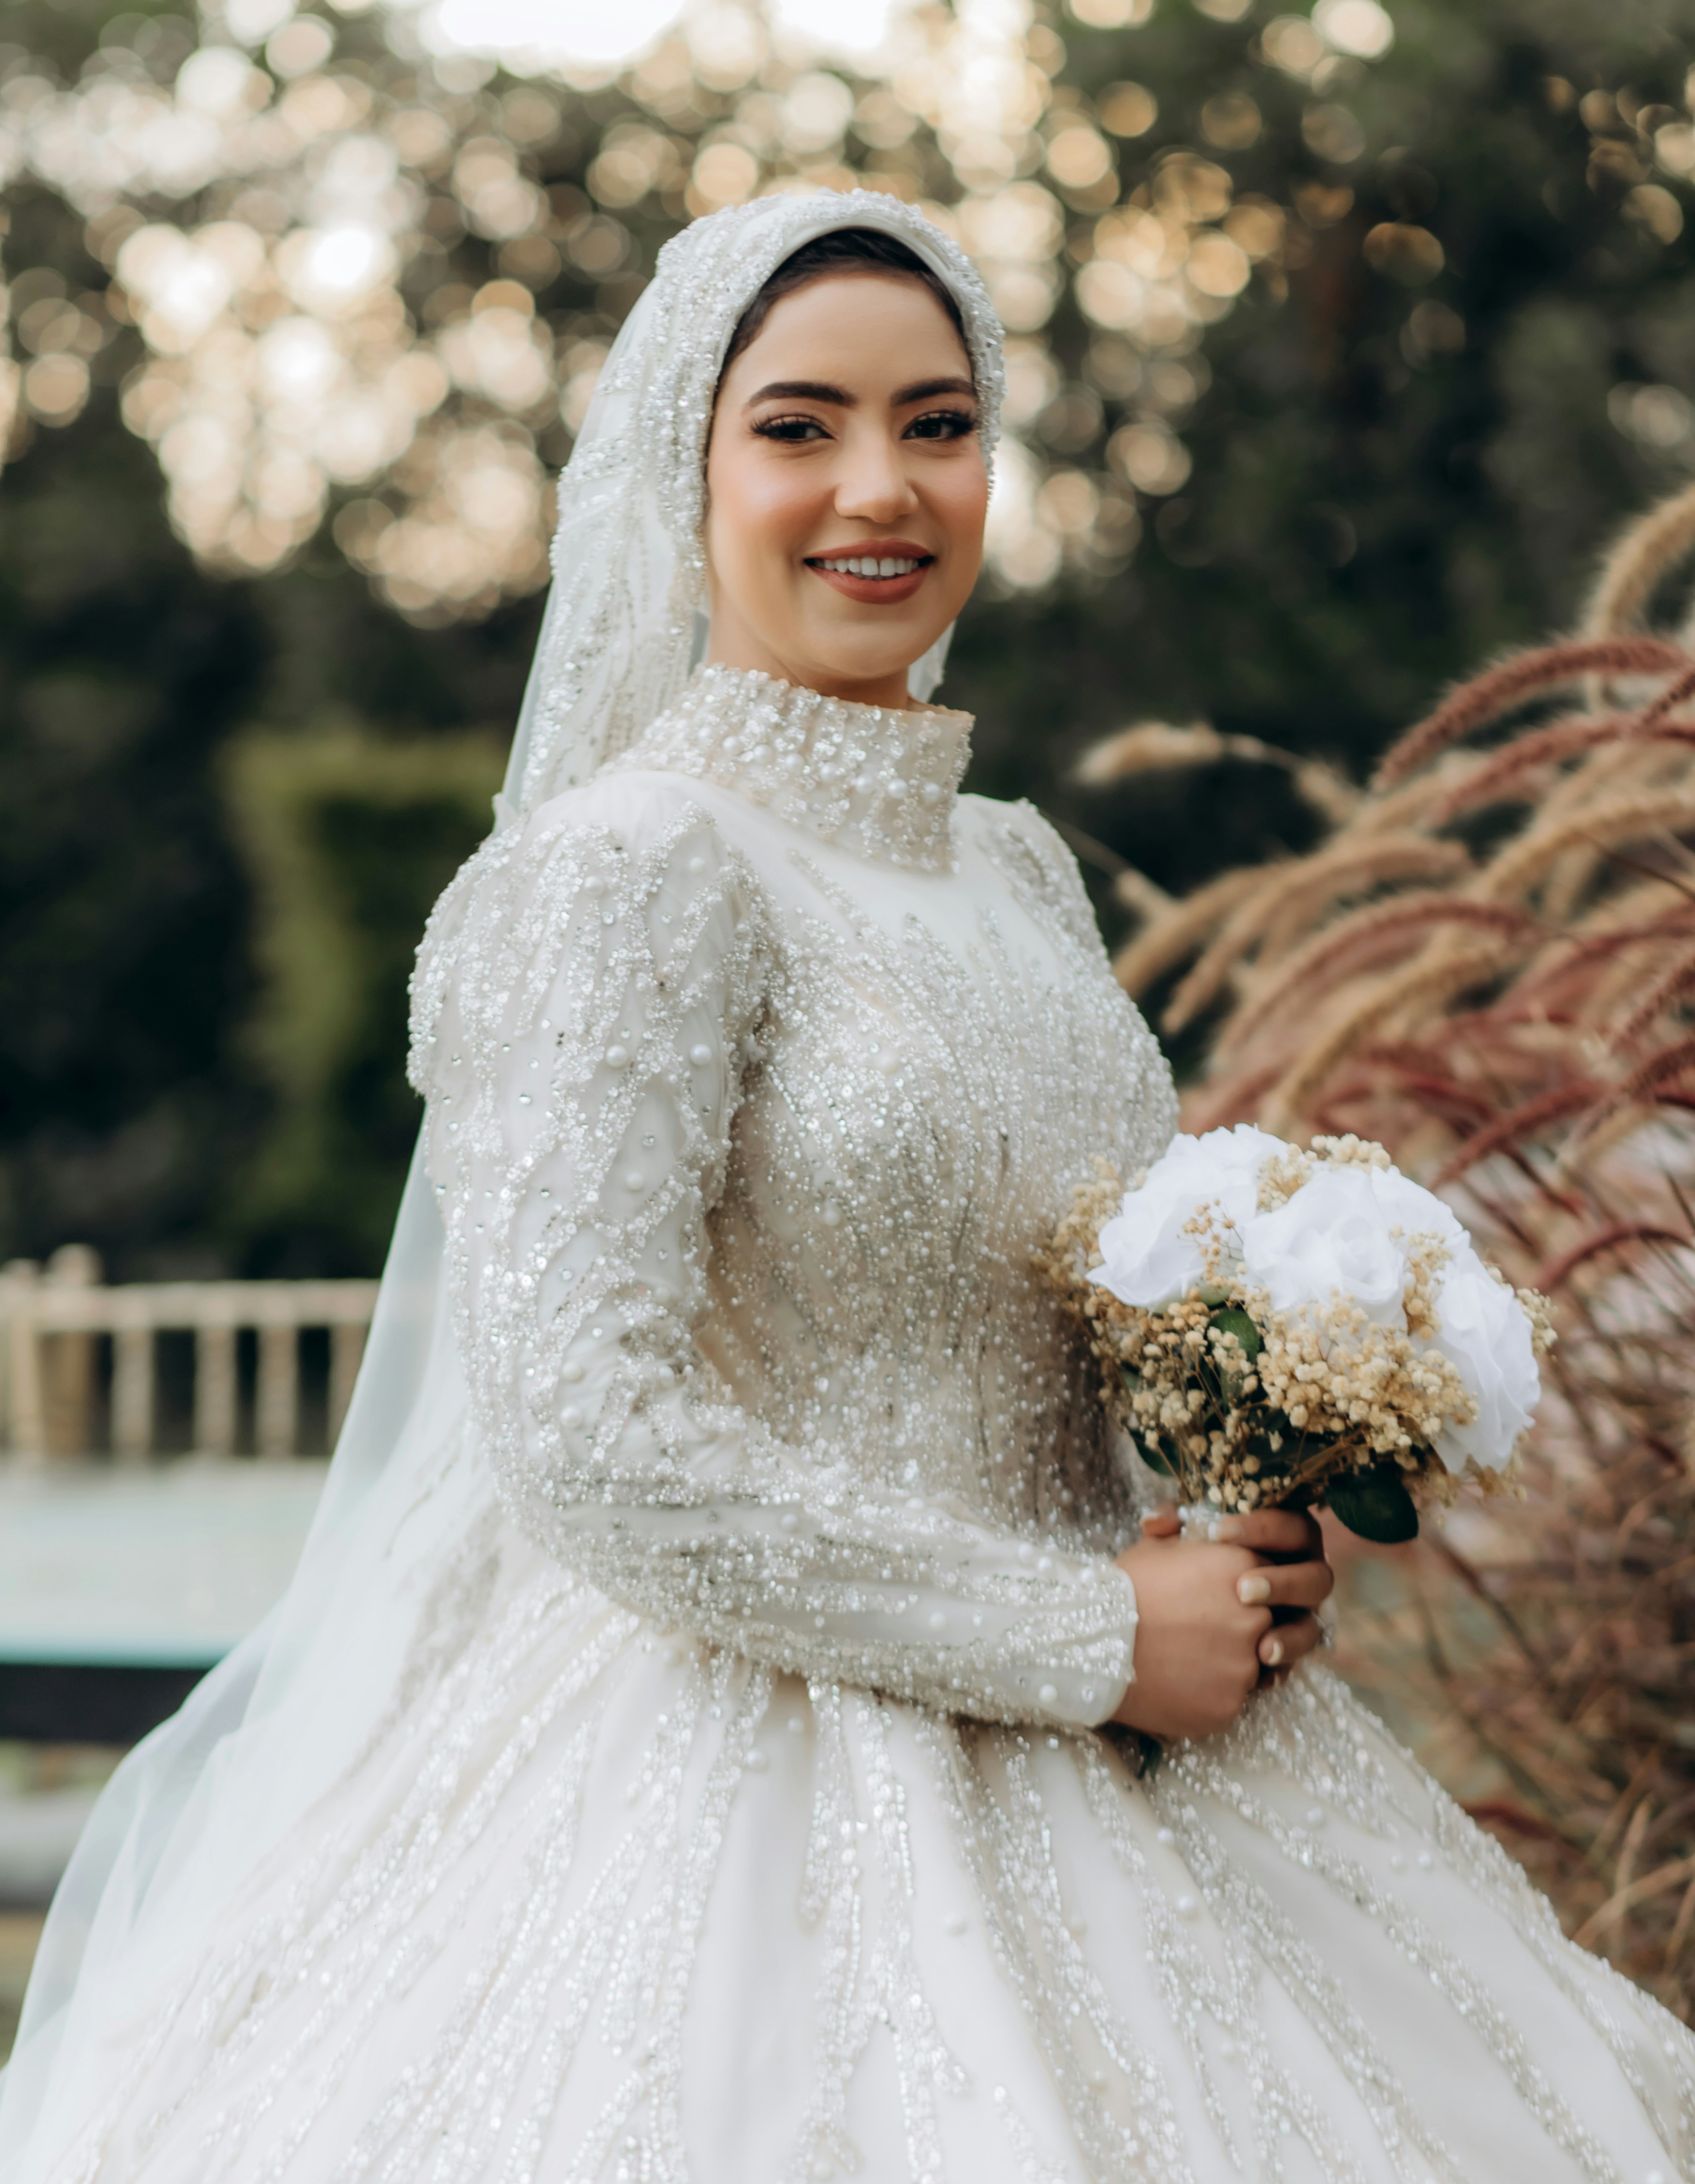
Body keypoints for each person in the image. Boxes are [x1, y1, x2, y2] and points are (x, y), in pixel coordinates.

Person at [3, 189, 1690, 2183]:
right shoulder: (632, 871)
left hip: (1161, 1759)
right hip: (723, 1783)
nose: (877, 489)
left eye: (938, 423)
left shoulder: (1015, 871)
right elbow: (595, 1442)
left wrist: (1234, 1510)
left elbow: (1071, 1304)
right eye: (796, 427)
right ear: (681, 471)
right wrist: (1083, 1640)